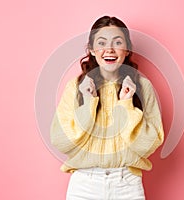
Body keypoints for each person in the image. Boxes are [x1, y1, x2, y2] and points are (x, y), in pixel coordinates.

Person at [50, 15, 164, 200]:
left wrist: (126, 105)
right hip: (84, 185)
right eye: (101, 43)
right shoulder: (77, 86)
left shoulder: (142, 87)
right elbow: (61, 141)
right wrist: (88, 104)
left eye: (117, 42)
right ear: (91, 50)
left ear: (127, 50)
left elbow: (149, 145)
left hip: (128, 184)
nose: (109, 49)